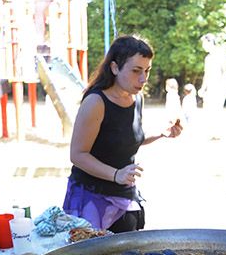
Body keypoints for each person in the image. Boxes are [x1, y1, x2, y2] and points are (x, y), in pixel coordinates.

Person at [64, 35, 182, 233]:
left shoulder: (136, 98)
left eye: (147, 71)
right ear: (115, 68)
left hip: (125, 197)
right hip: (92, 201)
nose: (143, 79)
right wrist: (116, 174)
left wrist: (162, 133)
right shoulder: (96, 102)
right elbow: (78, 155)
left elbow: (128, 139)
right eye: (136, 71)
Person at [198, 33, 226, 109]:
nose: (203, 46)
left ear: (210, 42)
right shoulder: (208, 58)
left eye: (204, 43)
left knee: (216, 110)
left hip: (219, 87)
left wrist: (221, 87)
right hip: (210, 88)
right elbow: (206, 75)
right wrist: (203, 88)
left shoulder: (221, 54)